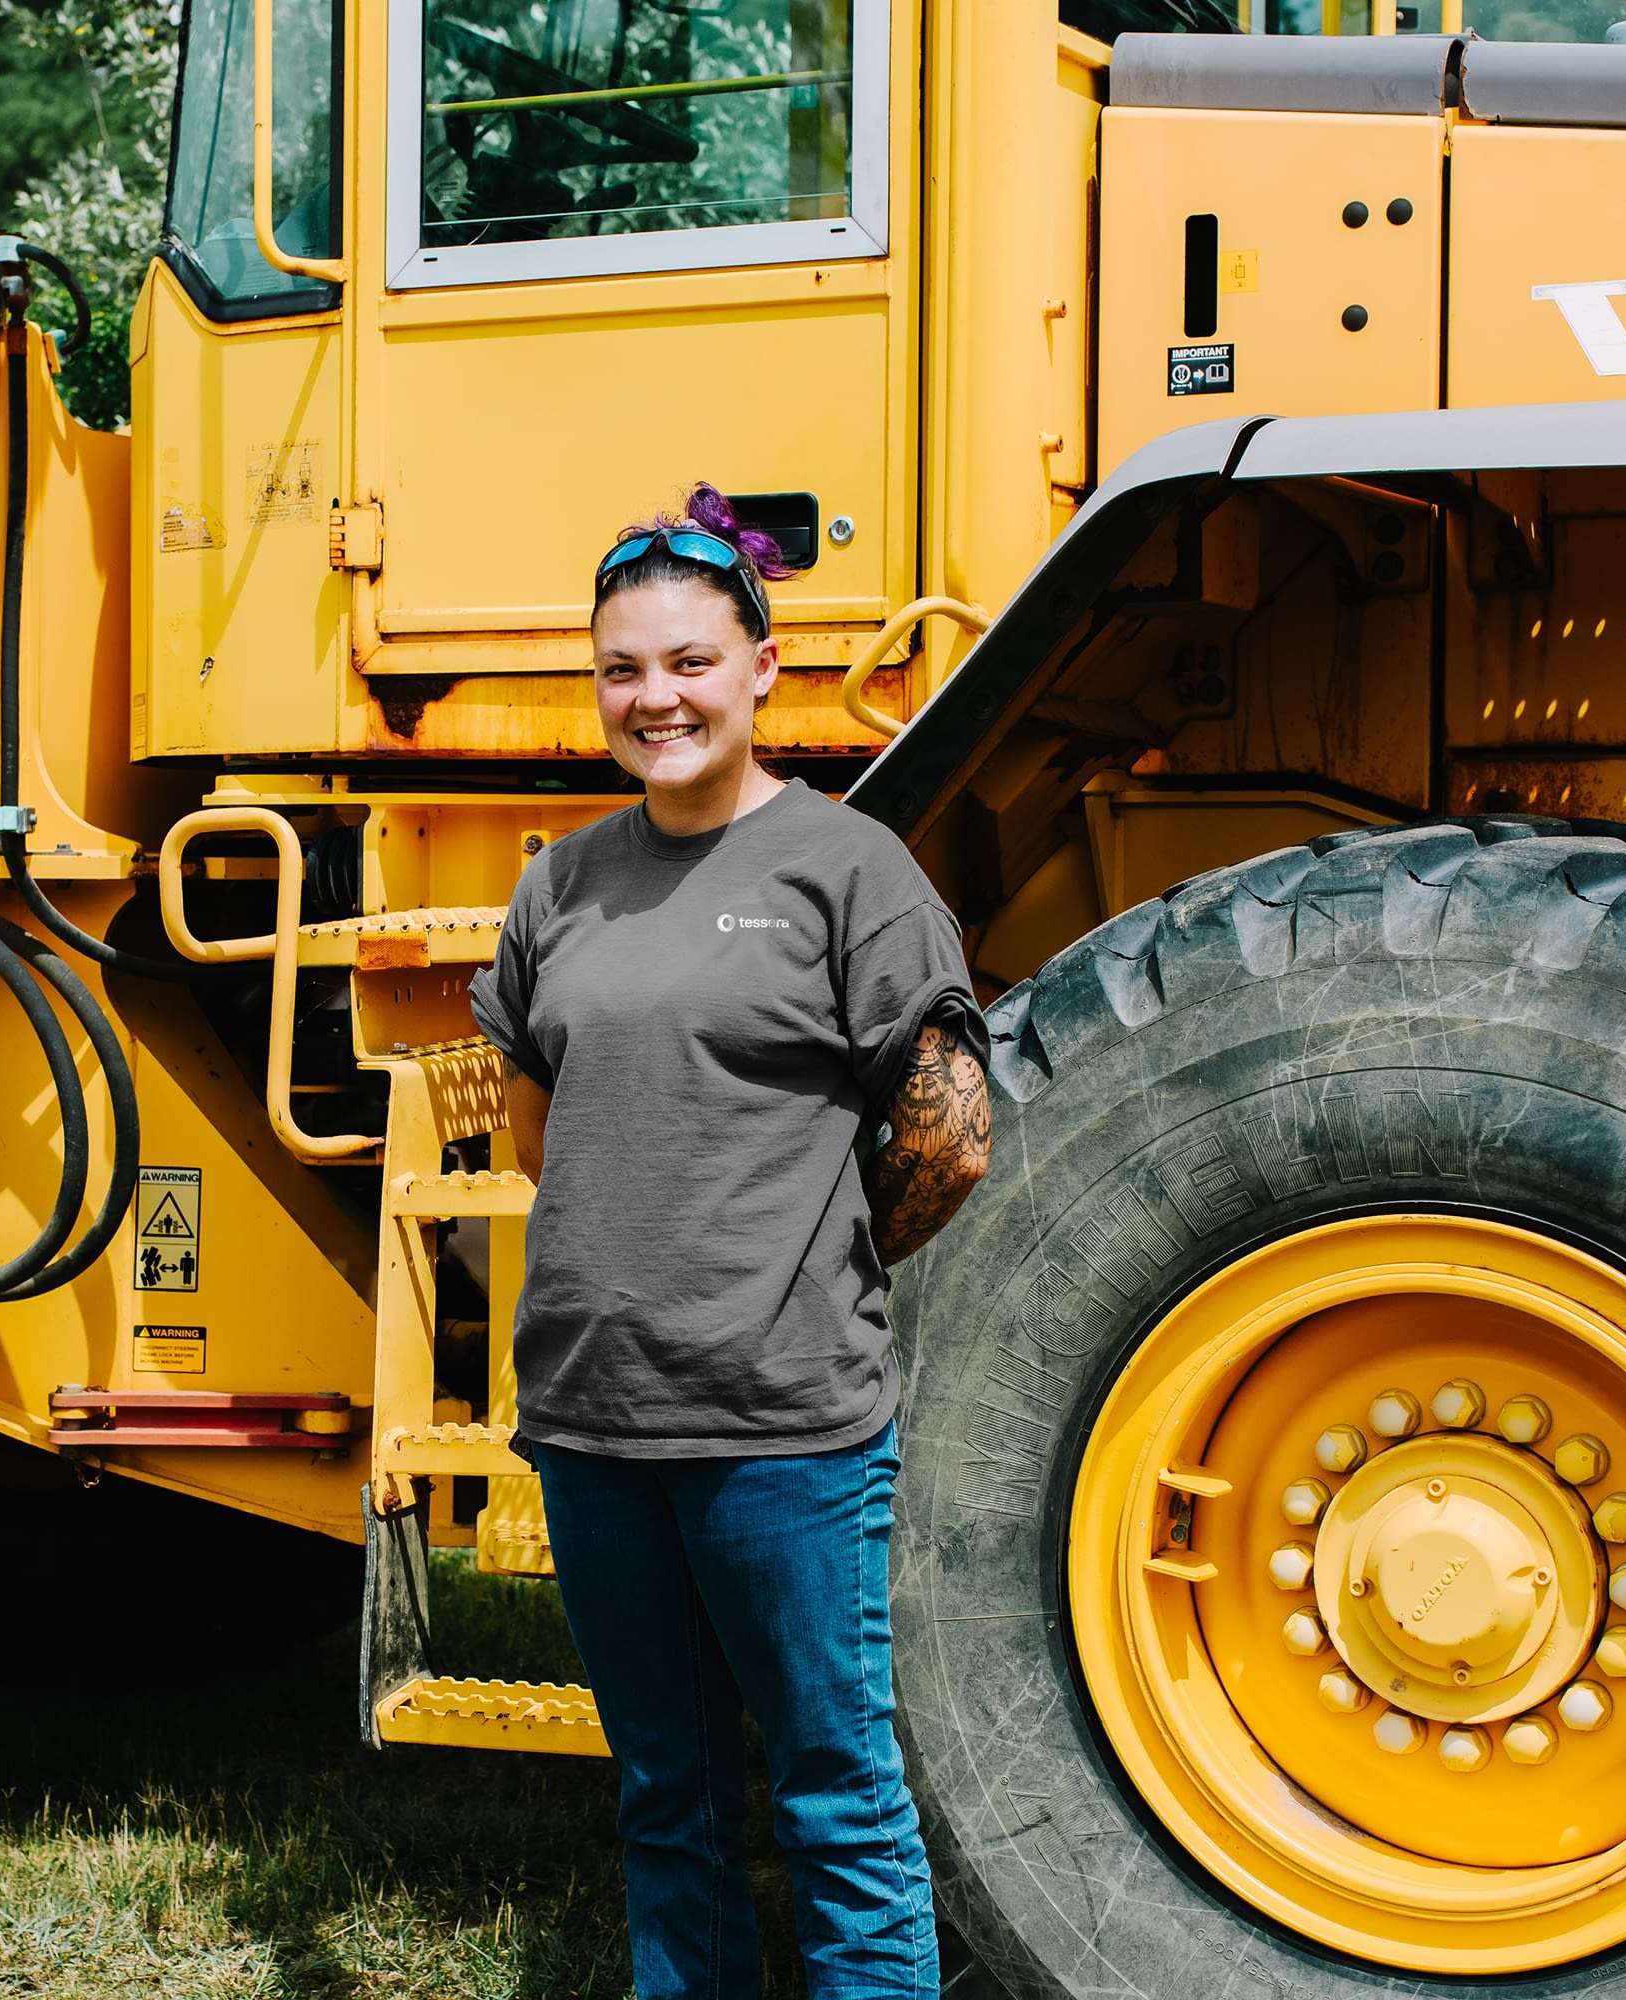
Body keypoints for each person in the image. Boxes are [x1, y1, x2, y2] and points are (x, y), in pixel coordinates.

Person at [469, 485, 992, 1998]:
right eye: (625, 670)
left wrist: (792, 1265)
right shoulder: (559, 883)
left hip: (783, 1427)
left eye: (691, 662)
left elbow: (948, 1138)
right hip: (594, 1418)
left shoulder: (849, 872)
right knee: (665, 1795)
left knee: (838, 1796)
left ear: (764, 668)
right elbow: (535, 1129)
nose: (658, 699)